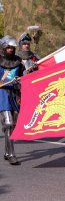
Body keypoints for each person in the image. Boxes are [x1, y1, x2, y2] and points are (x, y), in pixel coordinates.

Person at [0, 35, 25, 165]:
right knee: (9, 124)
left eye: (12, 47)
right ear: (4, 47)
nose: (11, 49)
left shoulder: (18, 62)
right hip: (2, 95)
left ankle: (6, 151)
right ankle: (11, 154)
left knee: (12, 126)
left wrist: (21, 79)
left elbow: (24, 77)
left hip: (14, 95)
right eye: (8, 47)